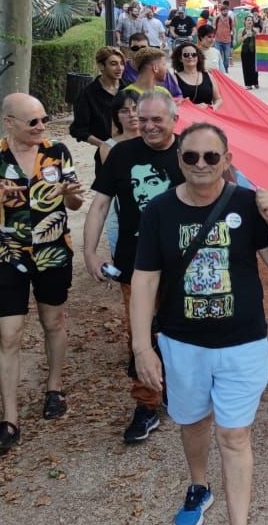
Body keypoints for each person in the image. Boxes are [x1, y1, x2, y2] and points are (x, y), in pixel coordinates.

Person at [131, 123, 268, 525]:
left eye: (211, 156)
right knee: (192, 422)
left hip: (243, 343)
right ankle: (199, 485)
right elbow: (145, 279)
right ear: (179, 160)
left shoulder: (247, 204)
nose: (201, 164)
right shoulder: (159, 210)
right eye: (191, 156)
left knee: (234, 436)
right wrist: (142, 348)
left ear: (227, 160)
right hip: (183, 343)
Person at [0, 93, 86, 453]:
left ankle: (54, 388)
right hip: (7, 255)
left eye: (44, 119)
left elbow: (75, 202)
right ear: (9, 122)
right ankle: (10, 419)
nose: (41, 126)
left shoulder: (56, 151)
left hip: (52, 253)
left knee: (54, 323)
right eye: (33, 121)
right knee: (10, 335)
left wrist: (69, 195)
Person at [83, 90, 186, 444]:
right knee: (140, 335)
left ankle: (181, 391)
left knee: (184, 330)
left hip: (185, 265)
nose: (149, 126)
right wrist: (90, 252)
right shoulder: (122, 153)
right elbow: (99, 206)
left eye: (157, 119)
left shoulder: (191, 152)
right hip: (136, 264)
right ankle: (146, 404)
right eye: (143, 120)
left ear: (174, 119)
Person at [99, 90, 142, 254]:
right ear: (117, 116)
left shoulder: (155, 141)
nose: (132, 114)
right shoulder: (108, 147)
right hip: (121, 212)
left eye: (135, 108)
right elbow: (114, 184)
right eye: (124, 111)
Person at [70, 46, 126, 165]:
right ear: (101, 66)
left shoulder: (129, 90)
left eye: (121, 64)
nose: (119, 68)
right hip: (105, 155)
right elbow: (78, 129)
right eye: (113, 64)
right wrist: (104, 145)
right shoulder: (87, 94)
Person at [172, 42, 218, 106]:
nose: (190, 57)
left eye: (194, 54)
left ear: (198, 57)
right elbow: (172, 103)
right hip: (187, 115)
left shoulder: (208, 76)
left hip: (209, 114)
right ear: (180, 59)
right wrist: (195, 107)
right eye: (186, 55)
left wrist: (214, 107)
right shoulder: (174, 79)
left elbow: (218, 99)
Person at [241, 8, 261, 90]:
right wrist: (246, 36)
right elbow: (239, 40)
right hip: (245, 51)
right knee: (246, 67)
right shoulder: (241, 30)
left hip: (254, 51)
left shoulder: (255, 30)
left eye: (251, 20)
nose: (249, 21)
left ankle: (255, 82)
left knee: (254, 67)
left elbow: (260, 38)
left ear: (253, 22)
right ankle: (248, 84)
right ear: (245, 22)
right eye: (248, 20)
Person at [214, 2, 235, 73]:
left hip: (227, 41)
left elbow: (233, 29)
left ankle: (225, 69)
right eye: (223, 10)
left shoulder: (229, 19)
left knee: (226, 57)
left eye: (226, 10)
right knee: (218, 56)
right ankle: (220, 70)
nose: (225, 11)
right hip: (218, 40)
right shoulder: (217, 18)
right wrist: (213, 38)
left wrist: (233, 39)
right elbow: (214, 28)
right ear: (221, 11)